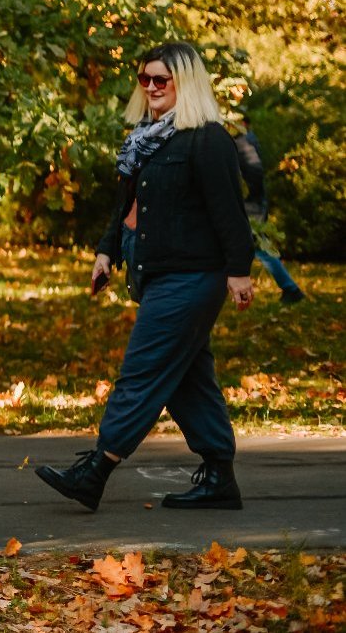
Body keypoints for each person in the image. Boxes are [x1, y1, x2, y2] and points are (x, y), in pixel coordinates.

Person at [36, 42, 255, 511]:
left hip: (193, 276)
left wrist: (239, 270)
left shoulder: (207, 138)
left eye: (162, 79)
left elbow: (230, 213)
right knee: (186, 378)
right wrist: (105, 252)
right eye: (145, 79)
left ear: (185, 83)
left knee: (140, 374)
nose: (152, 87)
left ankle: (96, 470)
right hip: (156, 274)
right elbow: (127, 207)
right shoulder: (146, 138)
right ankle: (219, 476)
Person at [233, 116, 306, 304]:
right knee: (257, 246)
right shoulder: (245, 139)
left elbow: (254, 172)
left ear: (244, 123)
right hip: (253, 203)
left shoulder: (243, 141)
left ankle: (291, 289)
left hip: (251, 205)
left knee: (258, 246)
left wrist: (246, 195)